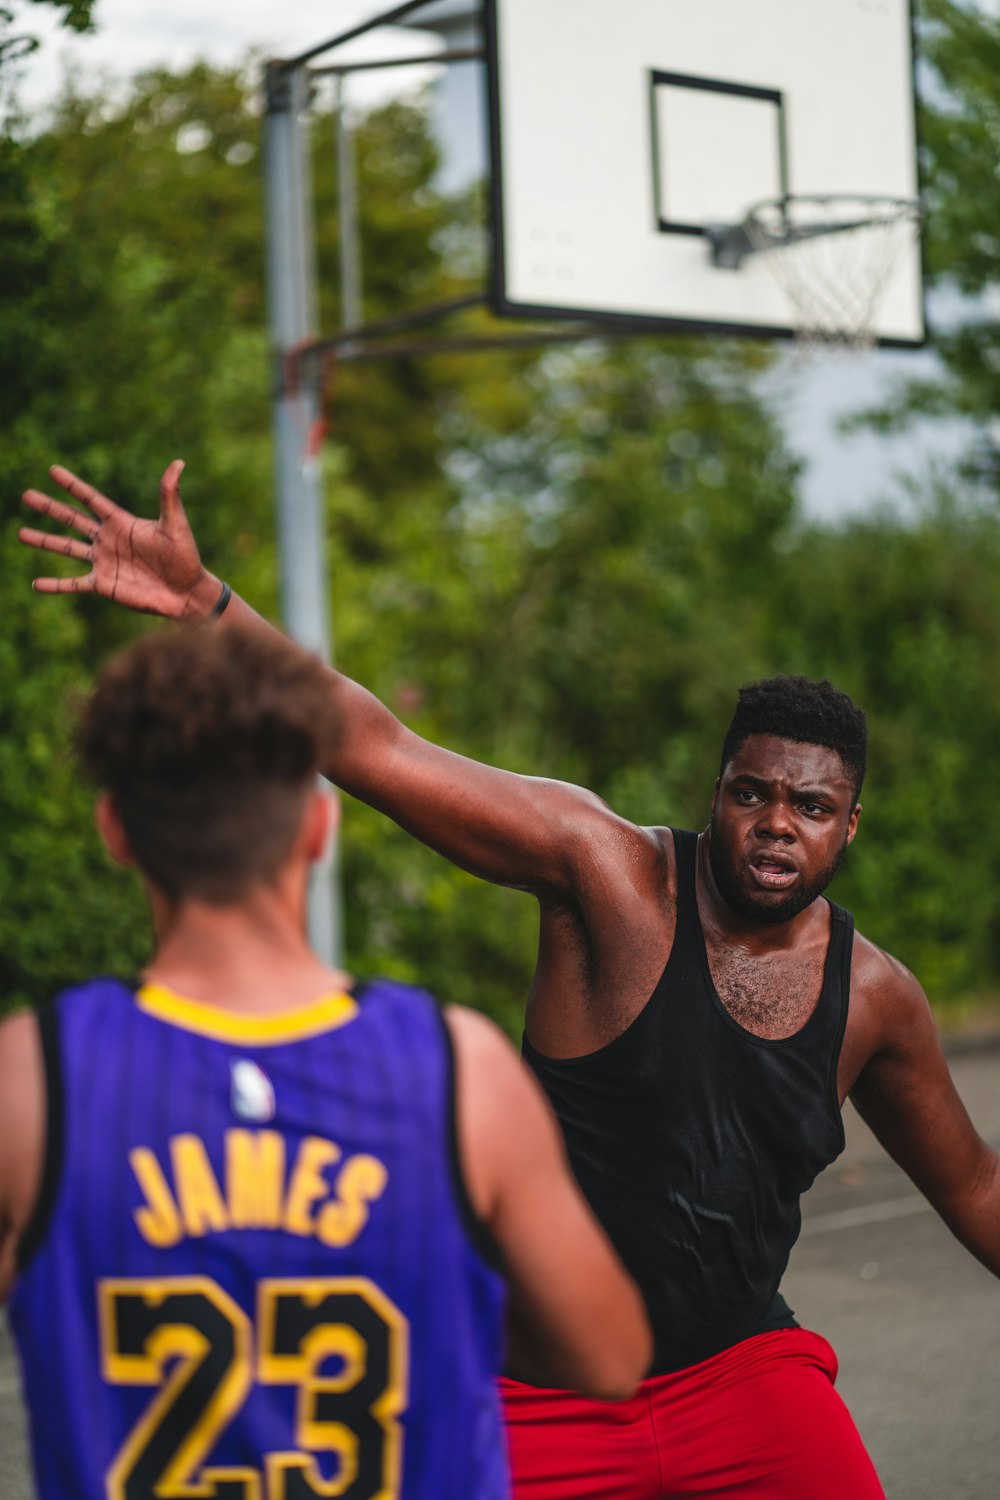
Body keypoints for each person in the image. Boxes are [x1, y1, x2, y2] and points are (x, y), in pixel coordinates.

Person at [18, 462, 1000, 1499]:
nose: (774, 824)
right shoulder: (605, 875)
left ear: (849, 826)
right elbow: (374, 741)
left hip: (741, 1376)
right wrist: (208, 606)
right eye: (751, 793)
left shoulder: (875, 996)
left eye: (808, 808)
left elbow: (973, 1182)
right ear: (714, 793)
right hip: (540, 1393)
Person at [0, 620, 652, 1500]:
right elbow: (611, 1355)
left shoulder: (33, 1080)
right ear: (317, 826)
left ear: (115, 829)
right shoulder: (460, 1074)